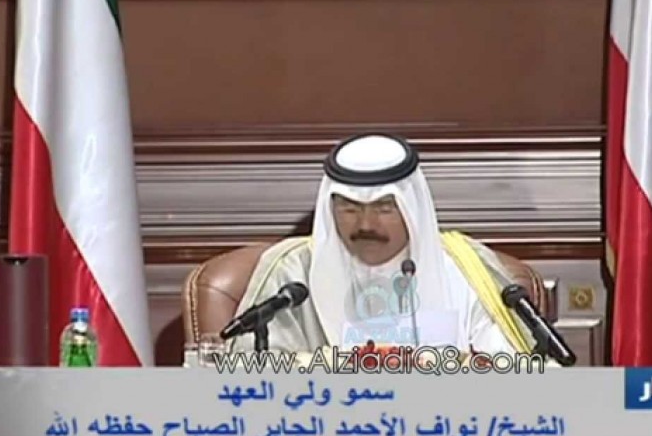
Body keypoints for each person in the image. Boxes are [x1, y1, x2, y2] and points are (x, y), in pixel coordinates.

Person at [225, 133, 549, 361]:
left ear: (411, 207)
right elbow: (249, 372)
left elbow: (514, 372)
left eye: (384, 208)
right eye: (349, 209)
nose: (366, 225)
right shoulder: (292, 271)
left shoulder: (467, 267)